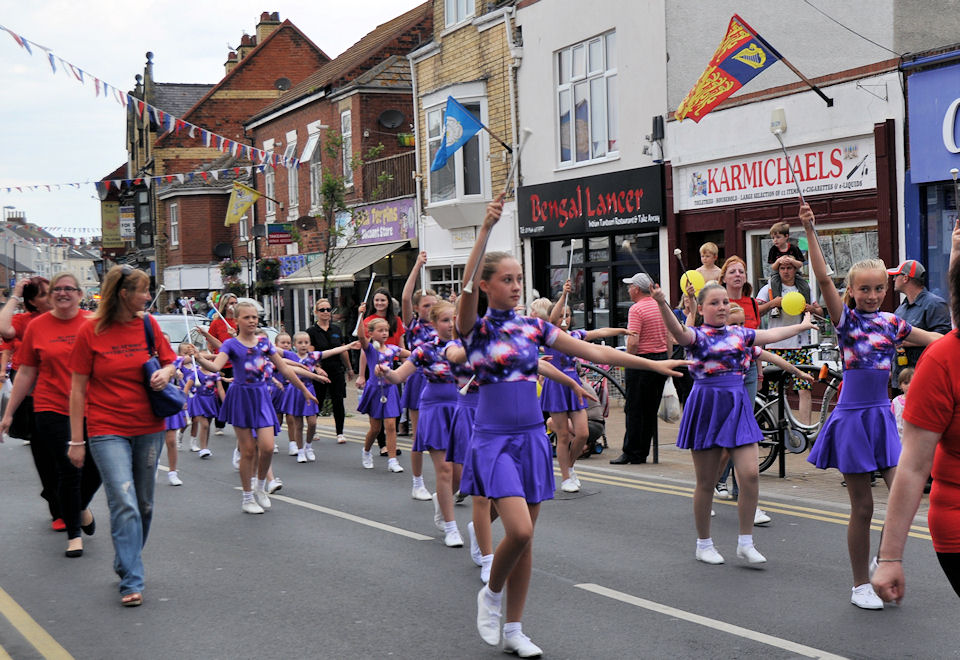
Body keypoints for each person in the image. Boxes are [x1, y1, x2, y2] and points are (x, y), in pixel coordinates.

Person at [461, 195, 689, 656]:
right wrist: (484, 230)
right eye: (506, 279)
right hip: (493, 441)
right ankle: (491, 593)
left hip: (531, 438)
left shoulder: (533, 328)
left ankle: (514, 629)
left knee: (527, 543)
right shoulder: (476, 329)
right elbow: (464, 292)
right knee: (519, 531)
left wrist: (652, 365)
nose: (515, 286)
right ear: (486, 285)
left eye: (518, 279)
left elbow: (596, 351)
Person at [799, 203, 942, 609]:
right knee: (862, 507)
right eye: (865, 289)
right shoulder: (846, 321)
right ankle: (859, 583)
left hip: (881, 416)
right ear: (852, 291)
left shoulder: (891, 322)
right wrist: (809, 230)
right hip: (853, 418)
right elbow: (823, 278)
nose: (873, 295)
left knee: (901, 497)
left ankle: (882, 558)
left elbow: (934, 339)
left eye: (879, 288)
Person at [653, 280, 815, 567]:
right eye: (714, 303)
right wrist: (661, 303)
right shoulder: (696, 337)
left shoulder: (740, 335)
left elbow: (772, 335)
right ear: (701, 309)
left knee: (750, 474)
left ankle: (745, 542)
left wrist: (801, 326)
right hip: (707, 406)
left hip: (737, 406)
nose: (722, 307)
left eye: (725, 302)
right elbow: (677, 332)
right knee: (706, 482)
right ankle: (704, 544)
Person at [67, 265, 177, 606]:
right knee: (123, 499)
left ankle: (125, 560)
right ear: (123, 294)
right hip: (106, 428)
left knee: (144, 505)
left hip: (149, 427)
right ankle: (132, 578)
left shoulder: (148, 324)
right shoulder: (90, 331)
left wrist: (166, 373)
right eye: (143, 290)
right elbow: (77, 389)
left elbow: (171, 361)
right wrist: (76, 441)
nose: (148, 296)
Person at [872, 228, 960, 604]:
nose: (885, 288)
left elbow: (939, 327)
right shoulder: (943, 359)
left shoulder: (929, 306)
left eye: (889, 281)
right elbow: (912, 465)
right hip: (905, 383)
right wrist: (890, 557)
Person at [0, 272, 100, 557]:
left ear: (80, 294)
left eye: (69, 288)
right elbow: (26, 372)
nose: (62, 293)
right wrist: (8, 414)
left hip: (92, 406)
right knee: (68, 470)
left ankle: (79, 507)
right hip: (50, 407)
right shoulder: (37, 326)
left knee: (96, 468)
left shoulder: (94, 323)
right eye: (57, 289)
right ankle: (74, 535)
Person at [194, 301, 318, 513]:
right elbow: (215, 366)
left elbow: (285, 369)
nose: (252, 321)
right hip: (241, 397)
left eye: (254, 317)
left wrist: (304, 390)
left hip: (261, 396)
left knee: (267, 447)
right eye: (247, 317)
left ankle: (260, 487)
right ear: (237, 320)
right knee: (248, 451)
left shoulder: (264, 343)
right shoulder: (231, 345)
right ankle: (247, 498)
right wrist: (199, 359)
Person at [379, 300, 463, 546]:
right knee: (445, 470)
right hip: (435, 408)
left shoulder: (468, 347)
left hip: (461, 409)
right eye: (445, 320)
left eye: (453, 319)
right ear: (434, 323)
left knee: (461, 476)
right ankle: (450, 527)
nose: (451, 325)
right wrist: (386, 372)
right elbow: (398, 376)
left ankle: (441, 499)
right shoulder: (424, 350)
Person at [549, 279, 634, 491]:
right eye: (561, 315)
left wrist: (621, 331)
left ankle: (570, 467)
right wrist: (563, 295)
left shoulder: (575, 336)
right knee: (563, 436)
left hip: (574, 386)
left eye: (568, 315)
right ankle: (566, 477)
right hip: (556, 386)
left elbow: (599, 332)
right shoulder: (549, 336)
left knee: (583, 433)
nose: (564, 318)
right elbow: (551, 319)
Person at [756, 256, 823, 425]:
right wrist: (772, 303)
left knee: (805, 388)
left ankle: (805, 428)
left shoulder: (804, 287)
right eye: (782, 268)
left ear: (795, 270)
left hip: (800, 346)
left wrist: (811, 309)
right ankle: (779, 427)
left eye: (789, 268)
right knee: (776, 391)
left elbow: (820, 312)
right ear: (778, 270)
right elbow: (756, 311)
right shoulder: (769, 287)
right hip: (776, 345)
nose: (786, 271)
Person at [610, 272, 668, 465]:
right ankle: (642, 451)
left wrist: (628, 360)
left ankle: (631, 452)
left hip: (641, 361)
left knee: (634, 408)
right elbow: (668, 336)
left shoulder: (636, 309)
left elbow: (633, 341)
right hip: (660, 360)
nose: (628, 290)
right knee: (650, 409)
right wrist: (667, 359)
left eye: (630, 286)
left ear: (636, 289)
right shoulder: (660, 305)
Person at [400, 252, 439, 501]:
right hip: (419, 378)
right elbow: (405, 297)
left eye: (434, 304)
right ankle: (417, 482)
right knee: (420, 434)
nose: (431, 308)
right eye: (426, 305)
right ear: (416, 309)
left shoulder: (445, 325)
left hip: (443, 381)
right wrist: (416, 265)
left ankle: (452, 479)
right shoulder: (413, 326)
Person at [887, 259, 951, 390]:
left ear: (905, 278)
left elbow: (945, 340)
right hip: (900, 383)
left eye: (896, 276)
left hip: (924, 381)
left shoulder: (935, 304)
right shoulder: (900, 309)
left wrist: (908, 341)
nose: (893, 279)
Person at [356, 287, 406, 453]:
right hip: (375, 377)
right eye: (376, 300)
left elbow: (404, 348)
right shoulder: (368, 324)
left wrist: (408, 369)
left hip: (392, 374)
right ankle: (377, 446)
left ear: (388, 302)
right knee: (376, 424)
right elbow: (363, 346)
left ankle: (391, 453)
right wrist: (361, 375)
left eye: (383, 300)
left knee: (392, 417)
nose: (379, 303)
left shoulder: (396, 322)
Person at [305, 298, 355, 445]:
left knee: (338, 401)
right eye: (322, 310)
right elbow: (310, 354)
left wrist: (349, 368)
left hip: (336, 369)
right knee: (318, 400)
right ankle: (313, 429)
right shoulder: (311, 332)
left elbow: (343, 349)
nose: (326, 312)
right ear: (316, 312)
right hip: (319, 371)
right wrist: (317, 369)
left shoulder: (337, 330)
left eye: (328, 309)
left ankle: (340, 432)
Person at [206, 293, 238, 435]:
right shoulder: (216, 323)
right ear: (224, 305)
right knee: (221, 393)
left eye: (235, 303)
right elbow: (210, 343)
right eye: (231, 303)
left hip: (236, 362)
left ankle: (239, 420)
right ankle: (220, 423)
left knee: (237, 393)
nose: (233, 306)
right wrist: (214, 356)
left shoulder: (238, 321)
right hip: (223, 363)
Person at [890, 367, 913, 440]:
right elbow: (891, 420)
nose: (909, 385)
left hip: (913, 437)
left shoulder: (918, 402)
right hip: (898, 437)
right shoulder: (895, 402)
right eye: (906, 383)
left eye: (912, 382)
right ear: (900, 385)